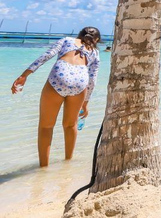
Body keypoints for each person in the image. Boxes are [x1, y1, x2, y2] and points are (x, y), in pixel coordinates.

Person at [11, 27, 101, 167]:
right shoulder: (95, 52)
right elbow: (92, 80)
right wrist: (85, 103)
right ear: (97, 40)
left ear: (80, 35)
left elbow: (46, 55)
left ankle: (43, 167)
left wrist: (24, 75)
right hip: (80, 83)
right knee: (71, 125)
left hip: (59, 78)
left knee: (46, 126)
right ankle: (68, 162)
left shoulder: (66, 40)